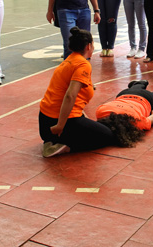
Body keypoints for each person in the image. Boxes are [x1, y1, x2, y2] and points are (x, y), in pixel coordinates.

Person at [38, 27, 114, 157]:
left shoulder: (69, 60)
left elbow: (68, 92)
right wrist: (60, 126)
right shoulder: (83, 64)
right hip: (58, 126)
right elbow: (70, 95)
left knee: (91, 126)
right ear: (88, 46)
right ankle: (66, 146)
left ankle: (52, 141)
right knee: (107, 136)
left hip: (45, 125)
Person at [95, 79, 153, 147]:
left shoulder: (136, 122)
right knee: (134, 90)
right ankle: (140, 83)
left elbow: (151, 119)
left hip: (147, 99)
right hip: (124, 94)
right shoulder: (101, 112)